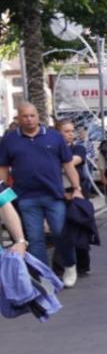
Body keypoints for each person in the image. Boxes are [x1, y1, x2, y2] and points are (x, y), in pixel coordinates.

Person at [0, 103, 83, 287]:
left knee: (60, 233)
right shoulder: (9, 140)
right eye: (24, 116)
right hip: (26, 197)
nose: (29, 119)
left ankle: (70, 265)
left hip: (54, 195)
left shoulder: (54, 136)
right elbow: (3, 168)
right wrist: (3, 194)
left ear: (38, 116)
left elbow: (68, 164)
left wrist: (77, 188)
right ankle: (43, 276)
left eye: (32, 115)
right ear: (18, 118)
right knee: (35, 239)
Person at [56, 121, 95, 197]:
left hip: (78, 190)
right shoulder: (52, 150)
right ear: (57, 133)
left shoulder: (79, 149)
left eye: (72, 131)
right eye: (67, 131)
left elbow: (70, 162)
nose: (71, 134)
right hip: (58, 191)